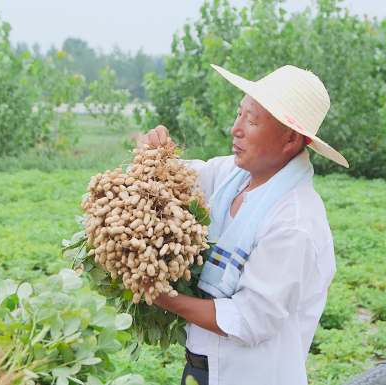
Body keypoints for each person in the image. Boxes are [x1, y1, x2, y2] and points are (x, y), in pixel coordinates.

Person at [135, 64, 349, 385]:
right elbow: (179, 177)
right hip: (202, 368)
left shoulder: (294, 222)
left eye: (252, 121)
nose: (236, 129)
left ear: (290, 140)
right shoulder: (230, 179)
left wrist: (161, 296)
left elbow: (250, 320)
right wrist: (155, 153)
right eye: (239, 114)